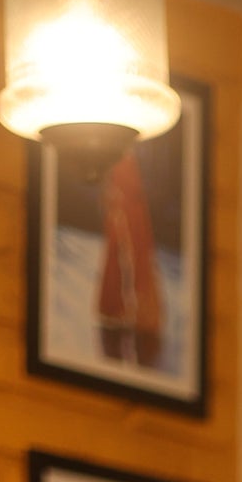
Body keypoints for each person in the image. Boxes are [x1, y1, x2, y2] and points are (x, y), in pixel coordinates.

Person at [98, 146, 165, 369]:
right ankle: (115, 308)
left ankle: (134, 312)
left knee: (136, 257)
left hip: (129, 205)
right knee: (123, 255)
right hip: (124, 204)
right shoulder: (123, 168)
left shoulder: (129, 171)